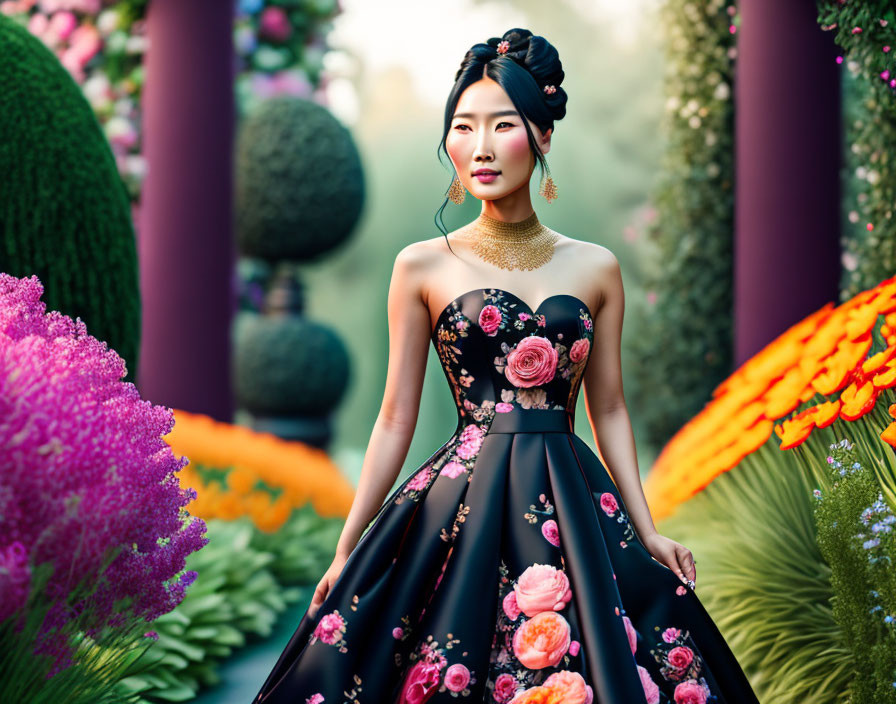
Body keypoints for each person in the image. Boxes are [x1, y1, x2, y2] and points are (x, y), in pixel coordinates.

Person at [252, 27, 761, 704]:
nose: (481, 147)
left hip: (573, 497)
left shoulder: (596, 267)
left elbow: (608, 408)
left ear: (543, 137)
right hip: (459, 499)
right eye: (463, 127)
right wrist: (349, 547)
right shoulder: (420, 266)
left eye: (503, 125)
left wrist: (646, 530)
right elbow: (395, 416)